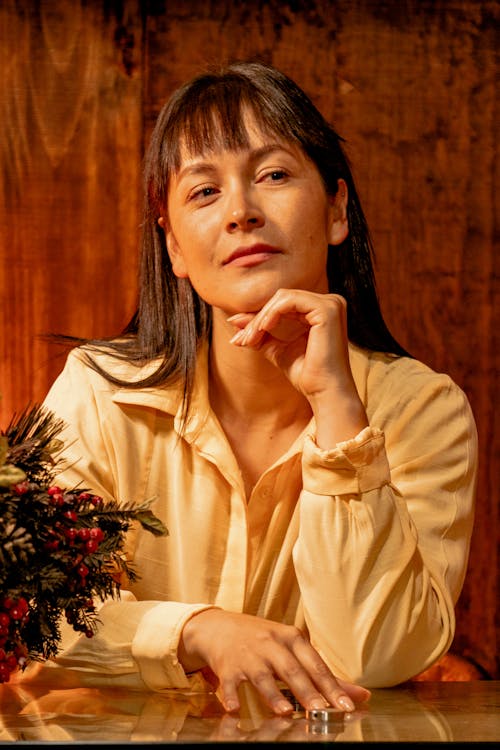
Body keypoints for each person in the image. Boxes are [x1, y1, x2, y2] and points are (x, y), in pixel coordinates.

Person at [39, 61, 477, 716]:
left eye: (272, 175)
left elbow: (376, 654)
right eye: (204, 192)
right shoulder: (99, 395)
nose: (242, 212)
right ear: (176, 251)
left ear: (336, 209)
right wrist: (196, 631)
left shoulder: (420, 409)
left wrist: (337, 411)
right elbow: (30, 616)